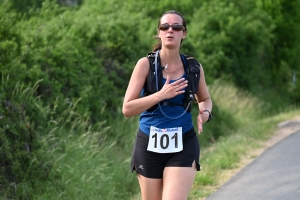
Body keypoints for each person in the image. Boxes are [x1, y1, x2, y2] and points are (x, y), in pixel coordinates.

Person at [122, 10, 213, 200]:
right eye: (165, 27)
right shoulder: (145, 65)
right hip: (148, 144)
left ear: (184, 33)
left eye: (176, 27)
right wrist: (160, 95)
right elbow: (127, 109)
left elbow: (204, 99)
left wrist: (204, 112)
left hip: (183, 143)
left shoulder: (193, 67)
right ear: (159, 32)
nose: (170, 30)